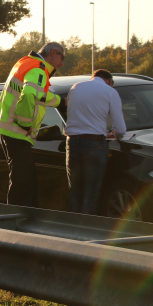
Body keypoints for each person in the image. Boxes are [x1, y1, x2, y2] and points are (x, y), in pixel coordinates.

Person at [0, 42, 65, 207]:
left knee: (21, 179)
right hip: (18, 131)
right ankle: (18, 220)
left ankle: (20, 217)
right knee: (22, 182)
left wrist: (60, 101)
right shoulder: (39, 69)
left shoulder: (25, 62)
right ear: (53, 53)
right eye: (62, 57)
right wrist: (25, 125)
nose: (62, 63)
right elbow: (30, 95)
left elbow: (39, 94)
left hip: (9, 129)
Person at [64, 69, 127, 215]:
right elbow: (120, 129)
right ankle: (86, 230)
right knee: (91, 192)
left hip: (72, 142)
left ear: (93, 77)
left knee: (75, 190)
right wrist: (114, 135)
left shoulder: (75, 87)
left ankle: (72, 230)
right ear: (110, 81)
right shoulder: (110, 92)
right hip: (94, 144)